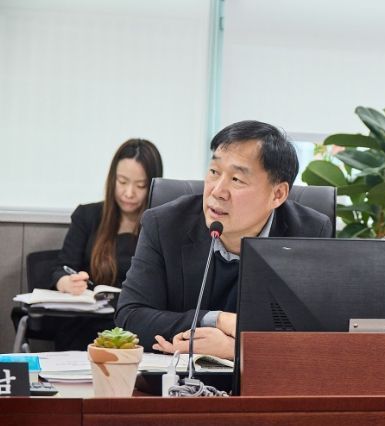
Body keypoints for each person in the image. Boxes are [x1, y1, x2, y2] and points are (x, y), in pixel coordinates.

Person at [115, 120, 333, 360]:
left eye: (237, 179)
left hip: (262, 380)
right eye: (214, 172)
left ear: (277, 194)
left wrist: (237, 349)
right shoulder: (165, 224)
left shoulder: (309, 233)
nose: (217, 191)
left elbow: (318, 336)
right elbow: (130, 317)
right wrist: (217, 320)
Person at [50, 139, 163, 350]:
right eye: (122, 181)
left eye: (140, 185)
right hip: (87, 324)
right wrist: (67, 282)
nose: (129, 193)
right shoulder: (87, 216)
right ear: (112, 179)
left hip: (136, 328)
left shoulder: (160, 225)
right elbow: (62, 269)